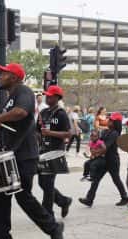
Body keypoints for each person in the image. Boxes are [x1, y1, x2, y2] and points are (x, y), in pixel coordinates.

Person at [0, 63, 64, 239]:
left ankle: (54, 229)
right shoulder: (10, 97)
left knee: (23, 196)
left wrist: (0, 118)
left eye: (4, 73)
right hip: (10, 154)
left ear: (14, 77)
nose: (0, 76)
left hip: (24, 156)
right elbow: (16, 126)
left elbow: (22, 112)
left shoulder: (24, 91)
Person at [79, 112, 128, 207]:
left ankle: (125, 197)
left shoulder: (115, 133)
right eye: (108, 119)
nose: (108, 121)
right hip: (103, 159)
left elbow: (106, 146)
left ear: (116, 123)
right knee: (96, 179)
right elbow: (98, 141)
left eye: (111, 120)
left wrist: (96, 151)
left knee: (116, 179)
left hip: (112, 160)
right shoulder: (106, 131)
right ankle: (89, 199)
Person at [37, 85, 73, 220]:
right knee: (43, 182)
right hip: (43, 151)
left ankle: (47, 212)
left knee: (48, 182)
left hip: (55, 152)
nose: (47, 97)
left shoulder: (61, 113)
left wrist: (50, 133)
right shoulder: (44, 112)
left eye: (50, 96)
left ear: (57, 98)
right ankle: (64, 201)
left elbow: (68, 134)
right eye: (47, 95)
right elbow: (37, 130)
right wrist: (38, 136)